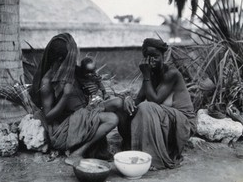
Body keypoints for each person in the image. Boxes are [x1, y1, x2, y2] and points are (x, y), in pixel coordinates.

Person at [29, 33, 119, 165]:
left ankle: (127, 144)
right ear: (60, 59)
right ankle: (78, 153)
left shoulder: (70, 70)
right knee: (112, 118)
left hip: (80, 116)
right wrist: (65, 95)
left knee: (119, 103)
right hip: (63, 129)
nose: (74, 59)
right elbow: (48, 117)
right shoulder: (47, 82)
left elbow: (86, 85)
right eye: (71, 57)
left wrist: (91, 88)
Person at [121, 38, 197, 170]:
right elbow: (138, 99)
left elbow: (154, 100)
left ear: (163, 56)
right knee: (123, 108)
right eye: (148, 57)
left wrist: (145, 75)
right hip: (166, 118)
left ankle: (152, 158)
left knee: (146, 107)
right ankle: (132, 147)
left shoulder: (171, 74)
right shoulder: (151, 74)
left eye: (155, 56)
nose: (152, 60)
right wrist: (127, 100)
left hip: (183, 122)